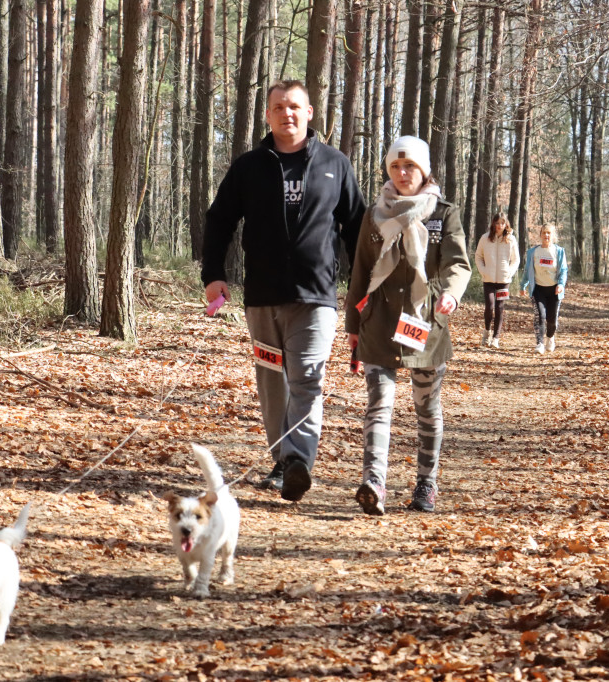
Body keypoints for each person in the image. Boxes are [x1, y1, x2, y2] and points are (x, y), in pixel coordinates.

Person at [201, 80, 366, 502]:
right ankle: (283, 460)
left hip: (317, 297)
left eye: (294, 106)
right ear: (268, 114)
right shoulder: (249, 167)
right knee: (273, 381)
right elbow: (219, 220)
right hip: (262, 297)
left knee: (308, 378)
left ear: (309, 113)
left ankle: (297, 461)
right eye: (278, 107)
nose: (286, 113)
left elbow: (359, 232)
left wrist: (362, 290)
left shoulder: (335, 164)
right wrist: (213, 275)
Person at [344, 136, 471, 515]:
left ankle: (425, 485)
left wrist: (450, 294)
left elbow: (457, 263)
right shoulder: (374, 214)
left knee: (426, 407)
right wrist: (352, 323)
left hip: (424, 323)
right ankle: (375, 483)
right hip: (379, 321)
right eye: (396, 167)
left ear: (424, 170)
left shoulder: (443, 213)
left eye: (410, 166)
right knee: (378, 405)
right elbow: (361, 272)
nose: (402, 173)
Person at [520, 224, 569, 354]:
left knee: (552, 320)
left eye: (549, 233)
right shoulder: (533, 252)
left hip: (554, 290)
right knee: (540, 316)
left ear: (553, 236)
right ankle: (540, 343)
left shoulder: (559, 251)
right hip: (538, 290)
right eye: (544, 233)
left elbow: (564, 270)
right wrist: (523, 285)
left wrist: (561, 284)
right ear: (540, 235)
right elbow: (527, 271)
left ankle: (550, 337)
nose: (546, 235)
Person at [473, 213, 520, 348]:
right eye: (497, 223)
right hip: (488, 280)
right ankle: (487, 331)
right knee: (490, 306)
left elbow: (516, 259)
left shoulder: (511, 240)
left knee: (500, 307)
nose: (499, 226)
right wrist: (484, 271)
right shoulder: (485, 238)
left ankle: (496, 337)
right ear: (493, 223)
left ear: (506, 224)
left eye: (502, 223)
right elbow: (478, 257)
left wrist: (509, 272)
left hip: (504, 281)